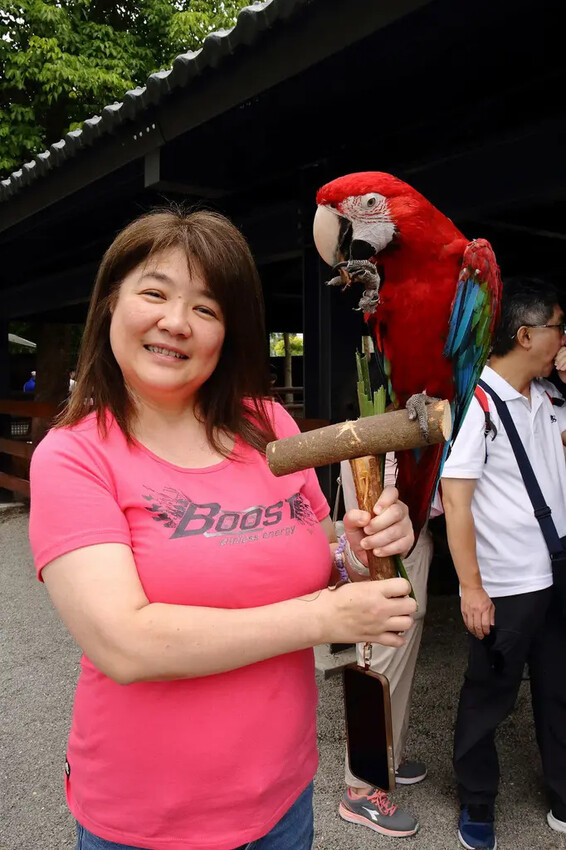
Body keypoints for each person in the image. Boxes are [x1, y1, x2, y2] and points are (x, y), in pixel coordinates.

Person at [28, 207, 418, 850]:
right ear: (108, 307)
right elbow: (126, 643)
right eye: (154, 292)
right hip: (150, 821)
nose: (176, 322)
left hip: (283, 799)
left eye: (206, 309)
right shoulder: (75, 455)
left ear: (227, 332)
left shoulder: (267, 425)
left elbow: (319, 558)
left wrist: (356, 550)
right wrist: (323, 619)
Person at [441, 276, 566, 850]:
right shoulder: (477, 404)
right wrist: (471, 588)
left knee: (558, 687)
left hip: (556, 573)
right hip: (509, 582)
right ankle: (478, 801)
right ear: (525, 334)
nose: (563, 339)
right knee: (490, 692)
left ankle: (562, 793)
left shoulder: (549, 396)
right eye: (558, 328)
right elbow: (456, 498)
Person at [338, 453, 441, 837]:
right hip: (386, 552)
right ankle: (360, 788)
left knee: (399, 662)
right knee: (380, 666)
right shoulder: (377, 423)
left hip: (410, 542)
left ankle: (386, 760)